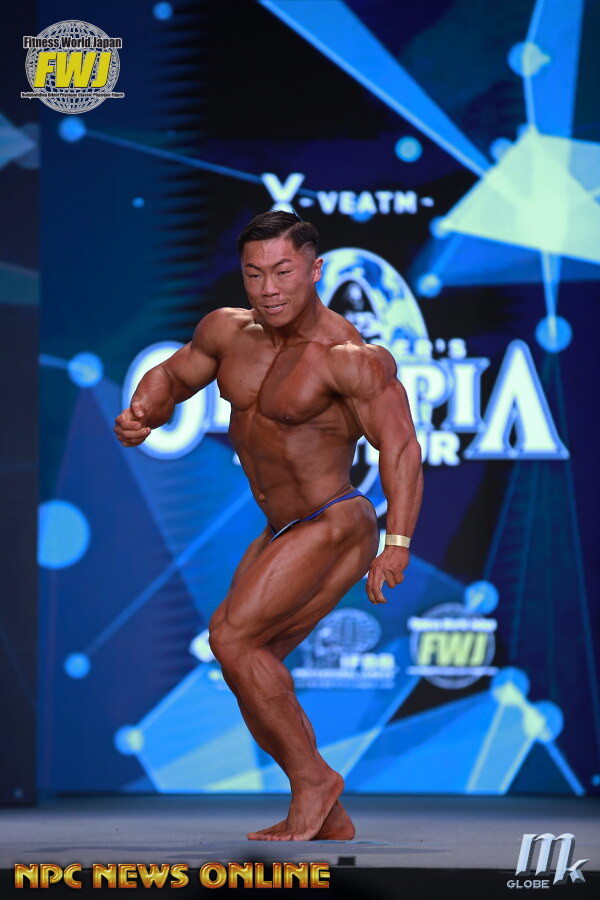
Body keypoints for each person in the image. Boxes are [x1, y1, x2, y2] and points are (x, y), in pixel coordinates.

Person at [114, 211, 423, 841]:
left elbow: (400, 448)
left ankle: (314, 782)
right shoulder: (228, 332)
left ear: (314, 270)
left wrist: (397, 542)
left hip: (336, 521)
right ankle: (327, 810)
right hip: (283, 527)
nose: (269, 288)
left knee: (231, 639)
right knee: (249, 667)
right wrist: (147, 407)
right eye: (254, 274)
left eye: (283, 271)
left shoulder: (349, 358)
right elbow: (174, 373)